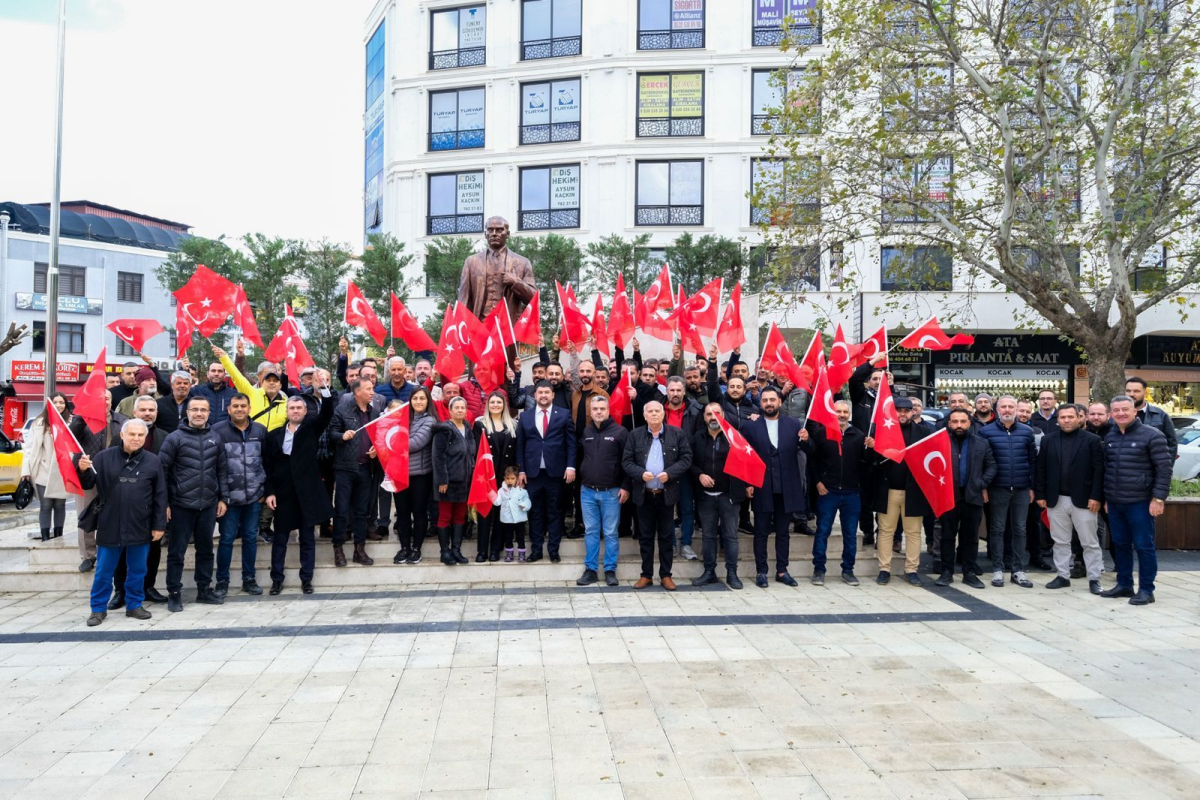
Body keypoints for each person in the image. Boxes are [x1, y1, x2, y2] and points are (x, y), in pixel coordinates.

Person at [76, 419, 167, 627]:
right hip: (110, 522)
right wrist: (82, 470)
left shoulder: (153, 461)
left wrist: (159, 525)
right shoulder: (103, 457)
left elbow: (160, 495)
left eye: (140, 435)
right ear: (123, 435)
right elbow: (87, 483)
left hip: (140, 523)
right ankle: (98, 609)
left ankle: (134, 604)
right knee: (104, 570)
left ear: (145, 438)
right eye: (132, 434)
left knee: (137, 569)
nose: (136, 438)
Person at [1100, 395, 1173, 605]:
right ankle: (1124, 585)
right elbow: (1108, 469)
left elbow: (1164, 469)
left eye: (1125, 409)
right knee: (1120, 544)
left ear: (1134, 411)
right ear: (1111, 414)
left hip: (1141, 502)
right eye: (1116, 410)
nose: (1121, 413)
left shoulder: (1152, 435)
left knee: (1144, 546)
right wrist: (1106, 497)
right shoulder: (1111, 436)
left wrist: (1158, 498)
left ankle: (1147, 589)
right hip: (1115, 502)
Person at [159, 396, 229, 612]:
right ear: (186, 412)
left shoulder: (215, 439)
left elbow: (222, 470)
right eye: (194, 409)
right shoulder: (174, 438)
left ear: (209, 413)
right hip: (181, 505)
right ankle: (174, 593)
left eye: (203, 410)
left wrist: (222, 498)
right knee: (176, 552)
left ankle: (204, 589)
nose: (199, 413)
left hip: (208, 505)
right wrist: (165, 503)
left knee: (206, 550)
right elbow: (162, 471)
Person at [264, 393, 336, 594]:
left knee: (307, 538)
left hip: (307, 492)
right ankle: (276, 580)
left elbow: (326, 413)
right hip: (283, 492)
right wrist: (269, 492)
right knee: (280, 539)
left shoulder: (311, 429)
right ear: (287, 411)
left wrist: (325, 391)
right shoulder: (274, 435)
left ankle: (307, 579)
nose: (295, 411)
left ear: (305, 411)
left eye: (299, 408)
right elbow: (267, 467)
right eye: (292, 408)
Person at [740, 387, 810, 588]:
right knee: (761, 532)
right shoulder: (750, 426)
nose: (769, 403)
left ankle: (782, 570)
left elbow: (808, 450)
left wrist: (806, 440)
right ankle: (761, 571)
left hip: (787, 487)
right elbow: (745, 458)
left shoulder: (793, 424)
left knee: (783, 532)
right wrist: (747, 483)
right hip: (762, 486)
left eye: (772, 399)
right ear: (760, 403)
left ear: (780, 402)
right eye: (765, 400)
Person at [1034, 403, 1104, 594]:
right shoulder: (1048, 440)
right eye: (1062, 417)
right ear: (1058, 419)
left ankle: (1094, 578)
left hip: (1085, 500)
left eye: (1070, 417)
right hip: (1056, 499)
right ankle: (1063, 576)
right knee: (1060, 541)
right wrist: (1040, 494)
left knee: (1089, 542)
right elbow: (1040, 469)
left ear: (1080, 418)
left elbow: (1099, 471)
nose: (1066, 420)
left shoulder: (1092, 440)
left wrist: (1096, 496)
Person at [108, 395, 170, 608]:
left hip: (153, 502)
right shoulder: (120, 438)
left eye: (151, 410)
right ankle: (120, 591)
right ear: (134, 413)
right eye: (143, 410)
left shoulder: (165, 437)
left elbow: (169, 472)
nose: (147, 413)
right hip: (126, 502)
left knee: (153, 548)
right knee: (121, 548)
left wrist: (166, 505)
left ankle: (148, 587)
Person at [623, 400, 692, 591]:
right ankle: (646, 575)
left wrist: (670, 473)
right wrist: (639, 473)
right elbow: (626, 461)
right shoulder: (635, 435)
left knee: (666, 536)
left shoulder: (677, 434)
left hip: (666, 495)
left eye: (657, 411)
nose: (654, 414)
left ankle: (666, 575)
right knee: (645, 537)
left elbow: (686, 458)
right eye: (650, 411)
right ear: (644, 415)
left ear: (663, 414)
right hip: (644, 495)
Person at [864, 396, 933, 585]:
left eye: (906, 410)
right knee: (886, 531)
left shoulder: (924, 432)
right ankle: (884, 569)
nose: (902, 414)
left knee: (913, 532)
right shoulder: (882, 431)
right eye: (899, 410)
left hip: (914, 491)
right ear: (892, 412)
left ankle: (911, 570)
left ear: (913, 412)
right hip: (888, 491)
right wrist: (871, 448)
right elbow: (870, 462)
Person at [978, 395, 1038, 588]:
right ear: (997, 409)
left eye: (1011, 406)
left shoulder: (1027, 432)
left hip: (1021, 489)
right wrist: (984, 487)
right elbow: (981, 462)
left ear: (1016, 409)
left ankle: (1018, 570)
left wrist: (1032, 486)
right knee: (997, 530)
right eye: (1003, 406)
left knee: (1020, 530)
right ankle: (997, 570)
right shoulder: (985, 432)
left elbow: (1033, 461)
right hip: (997, 488)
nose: (1007, 410)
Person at [213, 392, 268, 598]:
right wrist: (220, 495)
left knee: (250, 539)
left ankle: (249, 579)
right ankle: (222, 582)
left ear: (249, 408)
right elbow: (214, 466)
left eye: (243, 406)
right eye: (235, 406)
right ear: (229, 409)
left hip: (254, 496)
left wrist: (264, 489)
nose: (239, 409)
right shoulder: (217, 431)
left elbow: (267, 462)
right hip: (228, 498)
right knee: (226, 540)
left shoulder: (260, 431)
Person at [934, 409, 997, 588]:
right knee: (947, 536)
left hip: (972, 496)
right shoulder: (940, 442)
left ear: (970, 422)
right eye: (955, 421)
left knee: (970, 537)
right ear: (949, 423)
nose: (959, 425)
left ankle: (969, 572)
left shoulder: (981, 443)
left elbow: (991, 466)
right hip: (948, 496)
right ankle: (947, 572)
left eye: (963, 421)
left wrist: (980, 483)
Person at [516, 381, 577, 563]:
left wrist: (570, 466)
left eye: (547, 392)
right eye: (540, 392)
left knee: (555, 511)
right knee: (534, 512)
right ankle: (536, 550)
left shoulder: (564, 414)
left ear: (552, 395)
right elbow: (520, 445)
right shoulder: (525, 417)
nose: (543, 395)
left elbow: (571, 443)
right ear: (535, 395)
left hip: (556, 473)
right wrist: (521, 470)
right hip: (533, 473)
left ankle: (553, 550)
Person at [810, 400, 868, 586]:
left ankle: (848, 570)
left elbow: (867, 464)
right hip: (828, 492)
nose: (841, 415)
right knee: (822, 532)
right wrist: (818, 482)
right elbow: (813, 461)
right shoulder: (821, 433)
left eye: (845, 411)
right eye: (838, 411)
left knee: (850, 534)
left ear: (849, 414)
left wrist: (872, 449)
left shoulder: (859, 436)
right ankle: (819, 570)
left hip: (852, 494)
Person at [689, 402, 747, 589]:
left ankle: (732, 573)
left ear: (723, 415)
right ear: (704, 417)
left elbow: (746, 461)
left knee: (730, 537)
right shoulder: (697, 437)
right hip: (705, 496)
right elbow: (688, 462)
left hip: (728, 496)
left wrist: (747, 485)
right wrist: (700, 475)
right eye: (709, 414)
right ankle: (709, 572)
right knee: (708, 537)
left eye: (717, 413)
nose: (713, 417)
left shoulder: (734, 436)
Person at [576, 395, 629, 587]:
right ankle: (590, 570)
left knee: (610, 532)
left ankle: (609, 570)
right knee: (590, 531)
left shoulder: (620, 432)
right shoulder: (587, 431)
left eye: (602, 409)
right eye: (595, 409)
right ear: (590, 411)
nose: (598, 412)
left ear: (608, 411)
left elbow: (627, 462)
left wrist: (625, 486)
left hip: (611, 492)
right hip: (588, 491)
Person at [328, 378, 381, 567]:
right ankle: (338, 548)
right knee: (341, 511)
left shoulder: (375, 413)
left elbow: (379, 437)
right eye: (368, 389)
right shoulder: (342, 410)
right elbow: (331, 433)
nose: (372, 392)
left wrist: (377, 449)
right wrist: (342, 436)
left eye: (372, 389)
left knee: (361, 512)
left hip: (366, 468)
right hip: (344, 468)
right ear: (357, 391)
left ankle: (359, 549)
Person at [70, 389, 120, 571]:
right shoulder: (81, 420)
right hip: (87, 472)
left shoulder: (122, 420)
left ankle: (112, 552)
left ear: (111, 401)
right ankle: (88, 556)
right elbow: (70, 437)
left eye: (106, 398)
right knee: (85, 514)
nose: (103, 402)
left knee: (115, 514)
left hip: (113, 474)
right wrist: (82, 417)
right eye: (99, 399)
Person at [457, 215, 537, 328]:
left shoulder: (522, 262)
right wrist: (461, 328)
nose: (494, 233)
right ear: (486, 234)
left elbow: (534, 299)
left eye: (499, 230)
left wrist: (516, 282)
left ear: (507, 234)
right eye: (490, 230)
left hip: (507, 327)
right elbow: (463, 300)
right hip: (479, 326)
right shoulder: (471, 262)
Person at [20, 392, 74, 542]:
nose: (58, 405)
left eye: (61, 402)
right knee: (45, 505)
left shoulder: (71, 423)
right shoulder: (39, 423)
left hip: (62, 470)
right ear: (49, 404)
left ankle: (58, 536)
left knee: (60, 504)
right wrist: (25, 471)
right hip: (42, 469)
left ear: (66, 405)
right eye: (55, 402)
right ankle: (45, 538)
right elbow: (29, 449)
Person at [473, 391, 518, 562]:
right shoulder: (480, 425)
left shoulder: (513, 425)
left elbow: (515, 452)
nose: (496, 405)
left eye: (499, 402)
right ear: (487, 405)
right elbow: (477, 452)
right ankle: (482, 551)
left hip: (506, 478)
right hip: (485, 477)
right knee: (485, 514)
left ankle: (495, 550)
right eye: (492, 402)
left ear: (504, 405)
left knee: (501, 515)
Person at [394, 387, 437, 564]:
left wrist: (391, 444)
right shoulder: (402, 418)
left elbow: (416, 443)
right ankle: (404, 547)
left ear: (428, 401)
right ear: (409, 401)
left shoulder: (430, 420)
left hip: (420, 474)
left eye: (422, 398)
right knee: (402, 513)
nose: (418, 401)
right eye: (415, 398)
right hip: (399, 473)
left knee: (419, 512)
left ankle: (416, 548)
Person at [433, 396, 476, 565]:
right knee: (445, 517)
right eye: (456, 408)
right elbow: (438, 457)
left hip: (464, 482)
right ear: (450, 411)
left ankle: (456, 549)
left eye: (462, 408)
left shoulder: (467, 427)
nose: (460, 410)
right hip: (448, 482)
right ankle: (445, 551)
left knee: (459, 517)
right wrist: (442, 480)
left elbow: (471, 452)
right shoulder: (444, 430)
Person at [663, 376, 702, 559]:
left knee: (687, 507)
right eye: (672, 390)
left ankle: (686, 544)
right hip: (664, 468)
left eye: (679, 390)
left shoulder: (695, 411)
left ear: (684, 391)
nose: (676, 394)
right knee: (667, 507)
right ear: (666, 391)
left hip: (687, 466)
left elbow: (698, 438)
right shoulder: (658, 409)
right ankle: (670, 544)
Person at [1125, 377, 1179, 460]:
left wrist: (1165, 469)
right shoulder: (1117, 415)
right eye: (1128, 391)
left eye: (1136, 391)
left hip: (1151, 469)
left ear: (1145, 393)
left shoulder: (1160, 415)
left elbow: (1172, 444)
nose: (1131, 394)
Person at [494, 467, 531, 562]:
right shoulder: (501, 491)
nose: (510, 481)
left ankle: (522, 554)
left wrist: (524, 505)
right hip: (507, 519)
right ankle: (509, 554)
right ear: (504, 479)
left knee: (520, 537)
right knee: (508, 537)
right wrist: (490, 494)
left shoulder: (522, 491)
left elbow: (527, 500)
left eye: (512, 478)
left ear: (517, 479)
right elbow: (497, 502)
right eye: (508, 478)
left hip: (519, 518)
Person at [190, 358, 235, 425]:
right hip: (202, 433)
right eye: (213, 371)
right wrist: (184, 369)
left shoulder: (233, 394)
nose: (216, 374)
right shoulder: (196, 391)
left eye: (220, 371)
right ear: (208, 374)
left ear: (224, 375)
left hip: (224, 434)